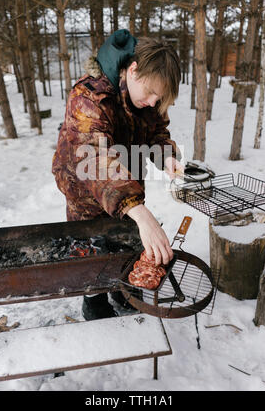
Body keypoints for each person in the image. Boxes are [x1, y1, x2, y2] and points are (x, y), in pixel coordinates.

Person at [52, 29, 183, 320]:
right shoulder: (88, 96)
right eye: (150, 93)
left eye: (158, 98)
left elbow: (157, 132)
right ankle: (95, 299)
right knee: (92, 244)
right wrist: (137, 208)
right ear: (133, 70)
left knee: (125, 238)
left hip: (127, 177)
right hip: (84, 187)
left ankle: (123, 289)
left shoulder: (148, 99)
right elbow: (95, 159)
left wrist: (167, 156)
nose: (152, 101)